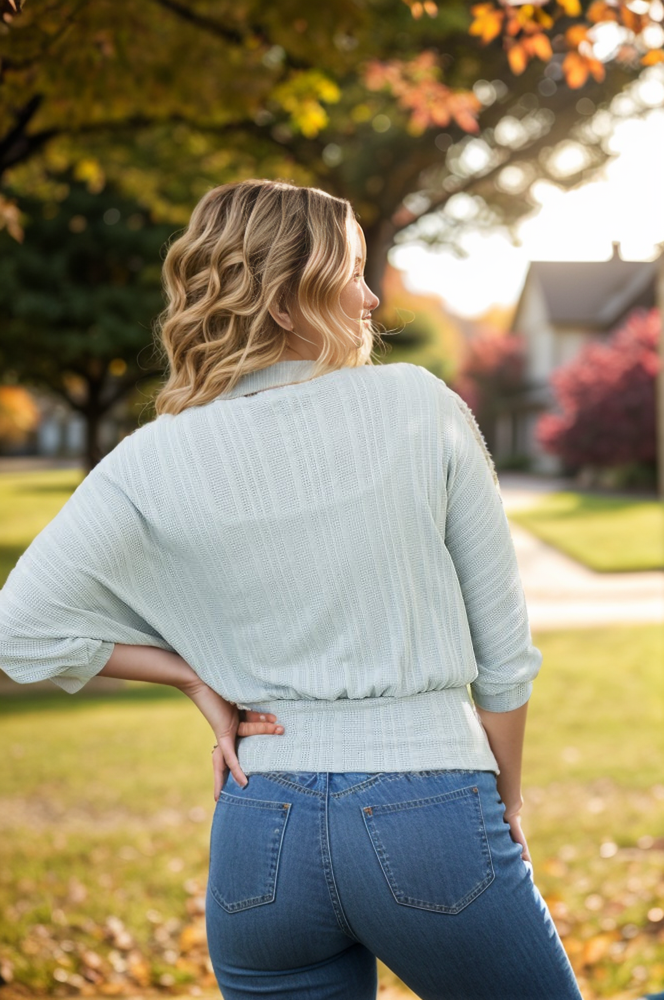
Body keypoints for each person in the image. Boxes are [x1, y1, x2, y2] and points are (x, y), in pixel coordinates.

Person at [0, 178, 586, 1000]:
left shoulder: (149, 456)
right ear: (286, 300)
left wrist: (189, 676)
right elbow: (506, 659)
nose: (374, 294)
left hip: (257, 833)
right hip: (431, 812)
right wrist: (509, 801)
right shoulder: (417, 404)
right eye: (353, 270)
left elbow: (16, 634)